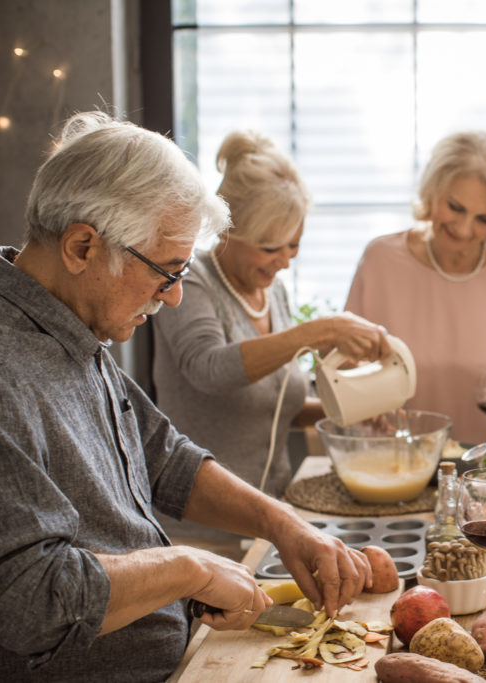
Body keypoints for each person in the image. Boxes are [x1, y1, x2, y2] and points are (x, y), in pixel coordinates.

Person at [0, 112, 372, 682]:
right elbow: (28, 602)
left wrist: (284, 524)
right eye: (168, 271)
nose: (177, 297)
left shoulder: (67, 325)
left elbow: (163, 458)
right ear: (83, 246)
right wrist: (188, 569)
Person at [153, 130, 389, 503]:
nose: (284, 261)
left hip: (272, 506)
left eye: (293, 245)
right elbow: (209, 369)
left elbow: (278, 407)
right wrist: (317, 332)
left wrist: (354, 410)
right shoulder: (192, 279)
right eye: (269, 248)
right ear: (229, 231)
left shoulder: (272, 292)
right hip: (202, 522)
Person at [344, 130, 486, 445]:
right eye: (455, 207)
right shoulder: (380, 260)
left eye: (484, 219)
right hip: (392, 459)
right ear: (433, 189)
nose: (464, 229)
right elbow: (345, 365)